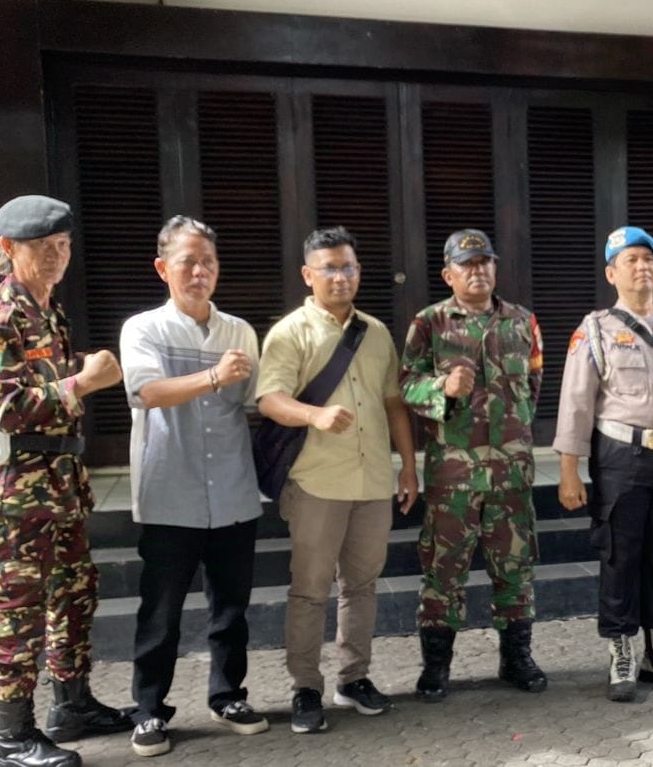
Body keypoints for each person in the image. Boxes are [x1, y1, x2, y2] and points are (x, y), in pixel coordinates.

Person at [0, 194, 132, 767]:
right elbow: (6, 407)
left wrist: (79, 370)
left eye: (63, 245)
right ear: (8, 249)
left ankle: (72, 707)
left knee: (74, 598)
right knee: (20, 616)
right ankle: (11, 738)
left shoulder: (49, 312)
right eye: (42, 247)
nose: (57, 256)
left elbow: (44, 381)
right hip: (16, 495)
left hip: (60, 488)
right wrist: (84, 381)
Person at [256, 227, 419, 734]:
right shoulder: (290, 332)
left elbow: (393, 402)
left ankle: (354, 678)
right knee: (309, 590)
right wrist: (315, 415)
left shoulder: (376, 332)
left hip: (372, 482)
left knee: (362, 586)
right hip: (317, 483)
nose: (340, 276)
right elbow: (269, 399)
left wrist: (408, 466)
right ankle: (306, 687)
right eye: (329, 268)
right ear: (308, 275)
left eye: (348, 266)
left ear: (358, 272)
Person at [119, 217, 270, 757]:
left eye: (208, 262)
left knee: (230, 607)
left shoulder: (239, 332)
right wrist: (212, 377)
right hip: (170, 491)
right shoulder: (143, 329)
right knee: (160, 613)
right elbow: (147, 392)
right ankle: (149, 711)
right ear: (163, 268)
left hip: (232, 490)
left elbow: (258, 400)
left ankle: (228, 697)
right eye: (188, 262)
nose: (200, 272)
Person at [554, 226, 653, 702]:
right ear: (612, 273)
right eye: (631, 260)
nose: (642, 267)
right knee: (620, 555)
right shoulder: (595, 330)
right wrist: (569, 469)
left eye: (649, 259)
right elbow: (576, 403)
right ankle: (622, 650)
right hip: (621, 458)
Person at [399, 229, 548, 701]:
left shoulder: (523, 321)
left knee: (516, 570)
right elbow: (405, 385)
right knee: (443, 574)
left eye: (484, 262)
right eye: (466, 264)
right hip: (453, 479)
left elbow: (534, 383)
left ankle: (516, 658)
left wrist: (514, 435)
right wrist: (440, 389)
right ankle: (436, 667)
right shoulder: (429, 323)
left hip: (511, 476)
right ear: (449, 274)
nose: (477, 270)